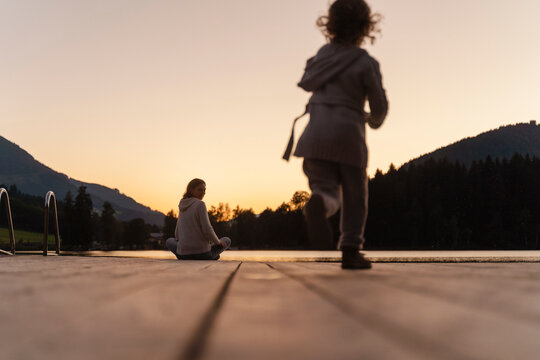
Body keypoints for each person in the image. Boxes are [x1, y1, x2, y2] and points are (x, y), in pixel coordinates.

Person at [283, 0, 388, 269]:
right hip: (349, 136)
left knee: (326, 190)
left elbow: (307, 82)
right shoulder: (365, 62)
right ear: (366, 27)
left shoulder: (322, 56)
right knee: (355, 195)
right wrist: (374, 120)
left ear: (330, 25)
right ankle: (350, 251)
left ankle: (320, 203)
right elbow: (379, 105)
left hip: (316, 135)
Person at [166, 178, 231, 260]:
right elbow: (207, 229)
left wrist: (185, 245)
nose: (203, 193)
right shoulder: (200, 204)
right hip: (203, 255)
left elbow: (177, 234)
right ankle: (212, 255)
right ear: (191, 190)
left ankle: (209, 254)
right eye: (200, 190)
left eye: (204, 190)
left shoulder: (182, 205)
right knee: (226, 240)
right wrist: (218, 242)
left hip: (183, 255)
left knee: (169, 241)